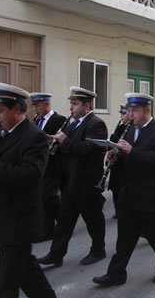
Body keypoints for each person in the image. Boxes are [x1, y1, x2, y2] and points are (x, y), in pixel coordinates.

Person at [0, 82, 60, 298]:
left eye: (1, 112)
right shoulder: (0, 131)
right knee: (24, 266)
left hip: (18, 219)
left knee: (6, 281)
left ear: (17, 109)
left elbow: (30, 176)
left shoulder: (34, 137)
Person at [93, 93, 155, 286]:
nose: (130, 115)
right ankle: (116, 273)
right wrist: (116, 156)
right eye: (128, 111)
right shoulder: (129, 129)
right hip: (129, 193)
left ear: (146, 110)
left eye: (134, 111)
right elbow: (127, 157)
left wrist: (131, 151)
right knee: (125, 237)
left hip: (149, 194)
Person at [37, 87, 108, 267]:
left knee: (93, 218)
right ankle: (56, 254)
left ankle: (98, 250)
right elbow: (70, 148)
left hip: (86, 182)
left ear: (87, 105)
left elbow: (88, 149)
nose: (71, 108)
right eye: (71, 104)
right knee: (64, 220)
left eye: (75, 104)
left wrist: (64, 141)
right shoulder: (72, 123)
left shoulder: (96, 124)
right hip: (69, 181)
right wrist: (55, 147)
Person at [30, 92, 67, 242]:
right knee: (43, 198)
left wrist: (54, 146)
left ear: (46, 104)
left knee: (47, 197)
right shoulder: (36, 121)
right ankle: (61, 222)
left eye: (38, 105)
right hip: (40, 164)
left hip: (53, 164)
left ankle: (51, 229)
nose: (36, 109)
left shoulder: (59, 119)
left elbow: (62, 141)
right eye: (35, 106)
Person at [108, 104, 131, 219]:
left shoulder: (131, 128)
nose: (121, 116)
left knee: (121, 188)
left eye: (123, 113)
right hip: (115, 163)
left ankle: (122, 210)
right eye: (121, 113)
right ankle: (118, 210)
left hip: (123, 164)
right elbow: (113, 140)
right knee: (114, 188)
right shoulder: (120, 126)